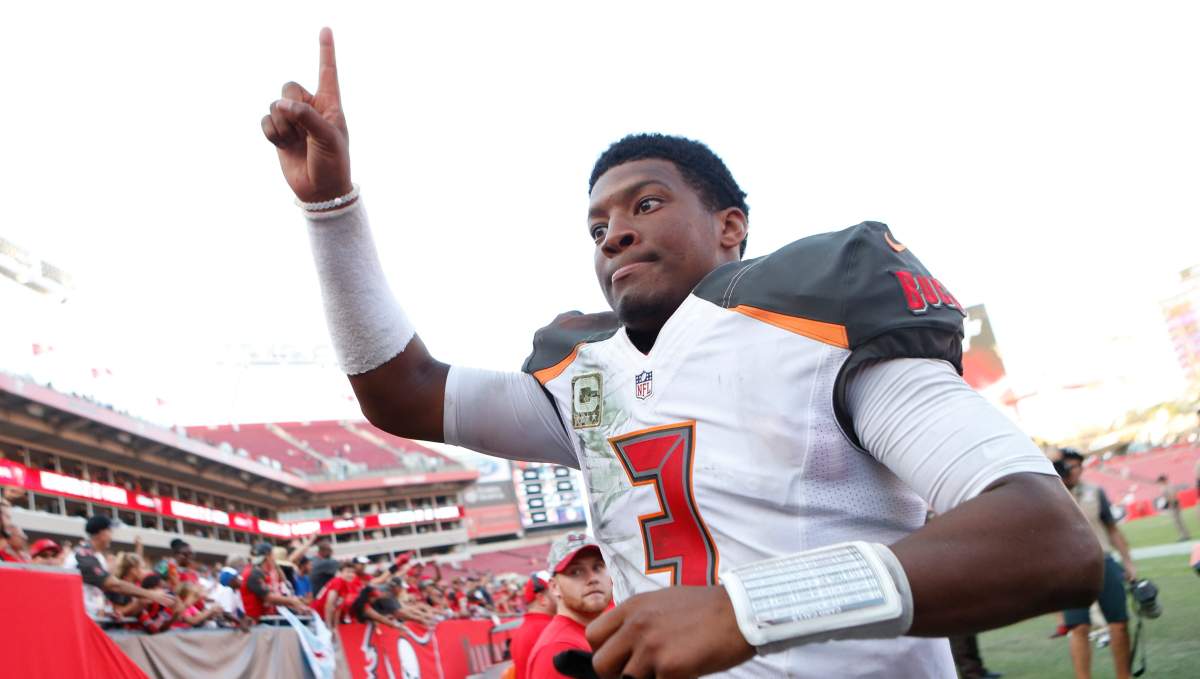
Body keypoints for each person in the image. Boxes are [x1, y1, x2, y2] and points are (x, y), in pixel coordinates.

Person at [263, 30, 1101, 678]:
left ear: (731, 225)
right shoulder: (585, 373)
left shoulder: (813, 318)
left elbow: (1048, 540)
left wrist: (749, 609)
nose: (614, 232)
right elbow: (403, 391)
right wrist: (331, 207)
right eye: (597, 225)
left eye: (647, 203)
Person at [1055, 449, 1135, 679]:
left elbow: (1112, 529)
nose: (1073, 471)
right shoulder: (1051, 494)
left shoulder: (1095, 491)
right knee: (1078, 627)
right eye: (1067, 467)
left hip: (1103, 560)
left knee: (1119, 623)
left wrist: (1128, 562)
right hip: (1070, 568)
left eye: (1076, 466)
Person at [525, 534, 613, 679]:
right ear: (554, 587)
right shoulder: (557, 650)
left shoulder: (600, 631)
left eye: (598, 567)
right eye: (576, 572)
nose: (592, 578)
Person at [64, 515, 174, 620]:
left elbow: (98, 592)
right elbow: (113, 585)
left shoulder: (97, 556)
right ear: (102, 533)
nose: (112, 536)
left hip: (90, 618)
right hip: (79, 619)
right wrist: (151, 594)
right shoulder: (82, 555)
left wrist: (108, 612)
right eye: (110, 531)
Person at [240, 542, 306, 622]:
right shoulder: (253, 573)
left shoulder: (259, 572)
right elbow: (269, 598)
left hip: (264, 618)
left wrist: (293, 602)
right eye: (273, 555)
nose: (274, 559)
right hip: (258, 622)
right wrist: (292, 601)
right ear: (268, 556)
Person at [510, 573, 556, 679]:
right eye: (554, 590)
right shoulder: (548, 629)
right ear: (542, 598)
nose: (560, 594)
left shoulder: (521, 630)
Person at [1156, 474, 1191, 541]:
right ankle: (1184, 535)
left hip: (1174, 505)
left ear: (1163, 480)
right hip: (1172, 505)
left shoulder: (1169, 486)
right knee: (1177, 522)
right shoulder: (1164, 487)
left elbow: (1172, 496)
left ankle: (1184, 535)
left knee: (1178, 521)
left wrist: (1169, 503)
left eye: (1160, 481)